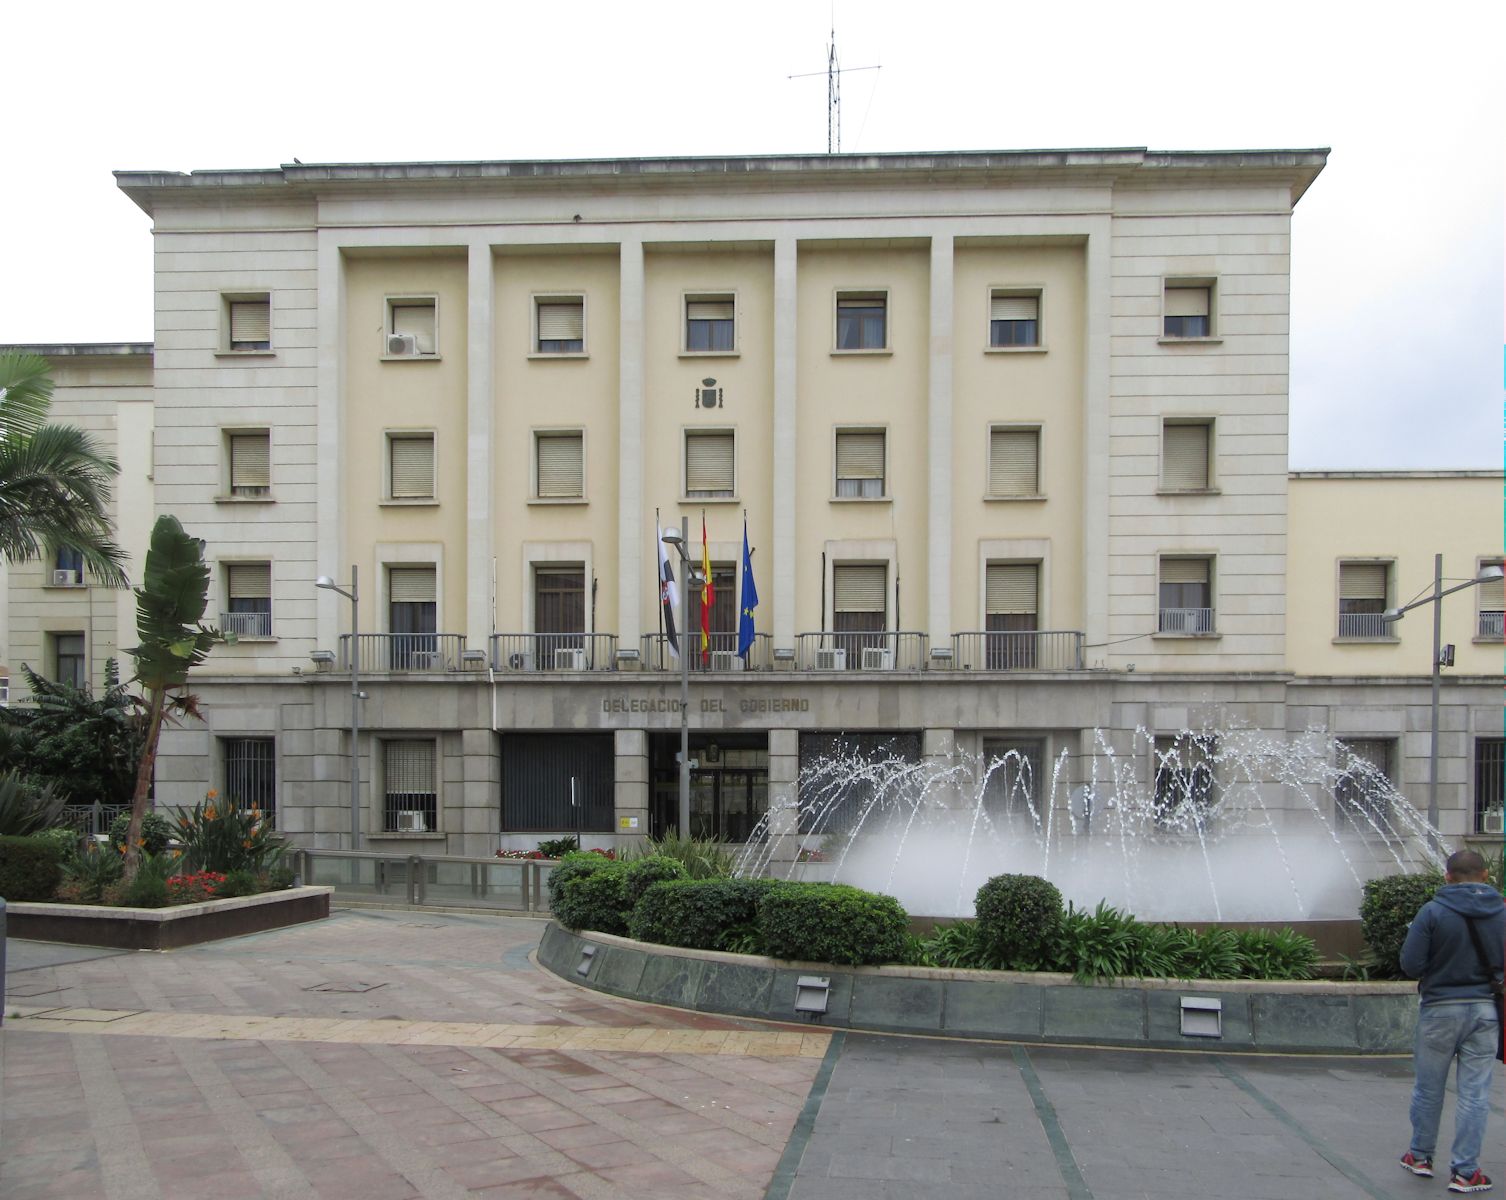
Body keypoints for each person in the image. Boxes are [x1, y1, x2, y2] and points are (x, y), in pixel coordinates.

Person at [1399, 848, 1504, 1193]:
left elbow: (1411, 964)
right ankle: (1466, 1171)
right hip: (1485, 1012)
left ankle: (1420, 1156)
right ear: (1486, 876)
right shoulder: (1502, 913)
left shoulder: (1432, 912)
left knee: (1429, 1088)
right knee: (1475, 1094)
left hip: (1440, 1010)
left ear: (1447, 876)